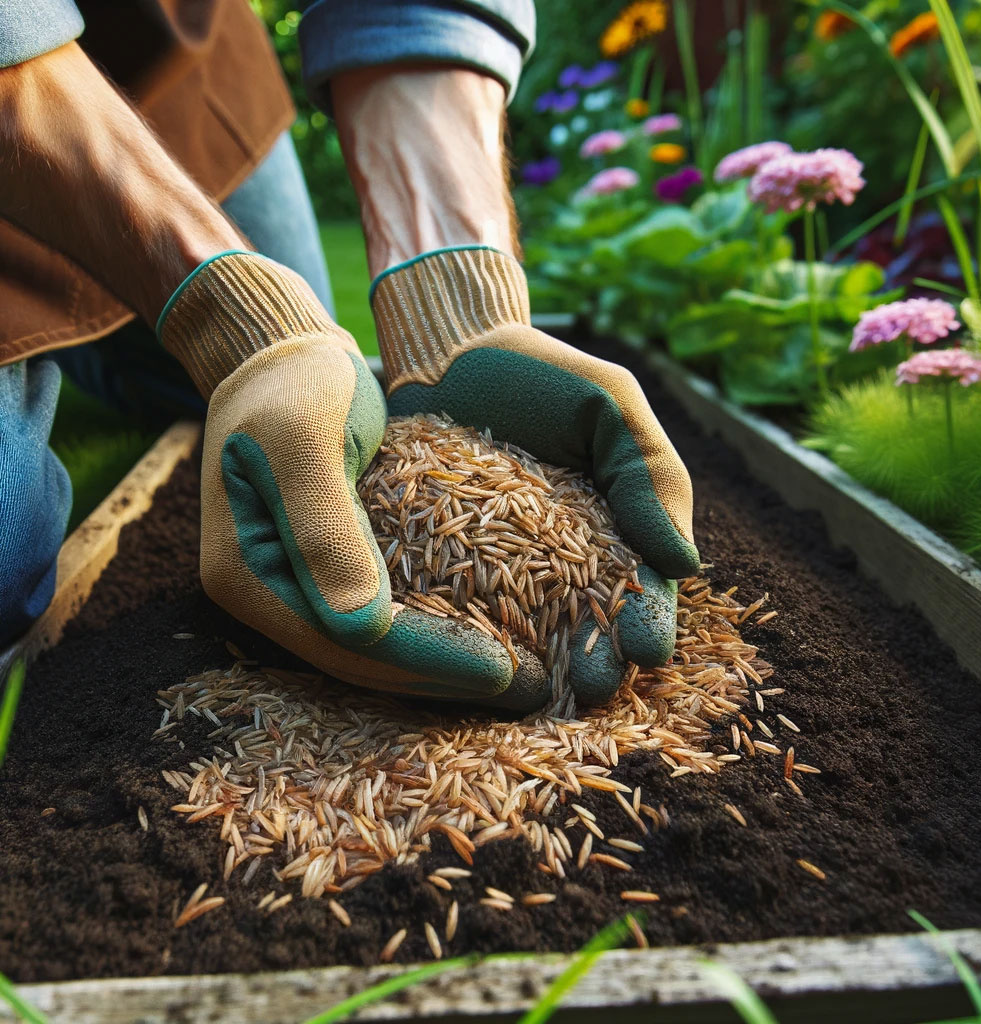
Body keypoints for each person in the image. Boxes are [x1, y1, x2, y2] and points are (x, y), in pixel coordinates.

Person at [0, 0, 699, 710]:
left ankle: (86, 312)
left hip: (166, 28)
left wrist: (453, 302)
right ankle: (53, 291)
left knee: (299, 439)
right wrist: (227, 314)